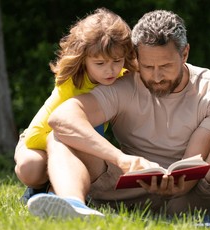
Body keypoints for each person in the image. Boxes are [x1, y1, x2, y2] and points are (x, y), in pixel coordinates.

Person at [27, 10, 210, 230]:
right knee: (60, 134)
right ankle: (74, 206)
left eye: (165, 65)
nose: (156, 76)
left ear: (185, 53)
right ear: (136, 57)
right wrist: (121, 159)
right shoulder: (123, 84)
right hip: (127, 189)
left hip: (191, 197)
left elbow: (191, 166)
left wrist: (173, 179)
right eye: (147, 66)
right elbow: (61, 118)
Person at [14, 8, 137, 204]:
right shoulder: (72, 83)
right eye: (100, 63)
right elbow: (35, 137)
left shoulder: (122, 79)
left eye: (117, 61)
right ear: (83, 59)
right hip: (41, 139)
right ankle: (37, 190)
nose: (110, 70)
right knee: (31, 167)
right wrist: (71, 145)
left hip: (76, 145)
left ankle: (57, 197)